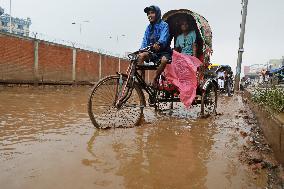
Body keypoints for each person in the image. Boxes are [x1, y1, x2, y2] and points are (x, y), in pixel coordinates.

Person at [138, 5, 172, 86]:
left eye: (152, 13)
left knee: (164, 60)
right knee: (141, 56)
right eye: (148, 14)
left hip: (164, 51)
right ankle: (142, 81)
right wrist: (141, 50)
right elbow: (145, 40)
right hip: (152, 52)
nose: (150, 15)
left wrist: (159, 43)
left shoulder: (164, 25)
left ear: (157, 14)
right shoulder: (148, 28)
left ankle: (154, 79)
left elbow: (163, 38)